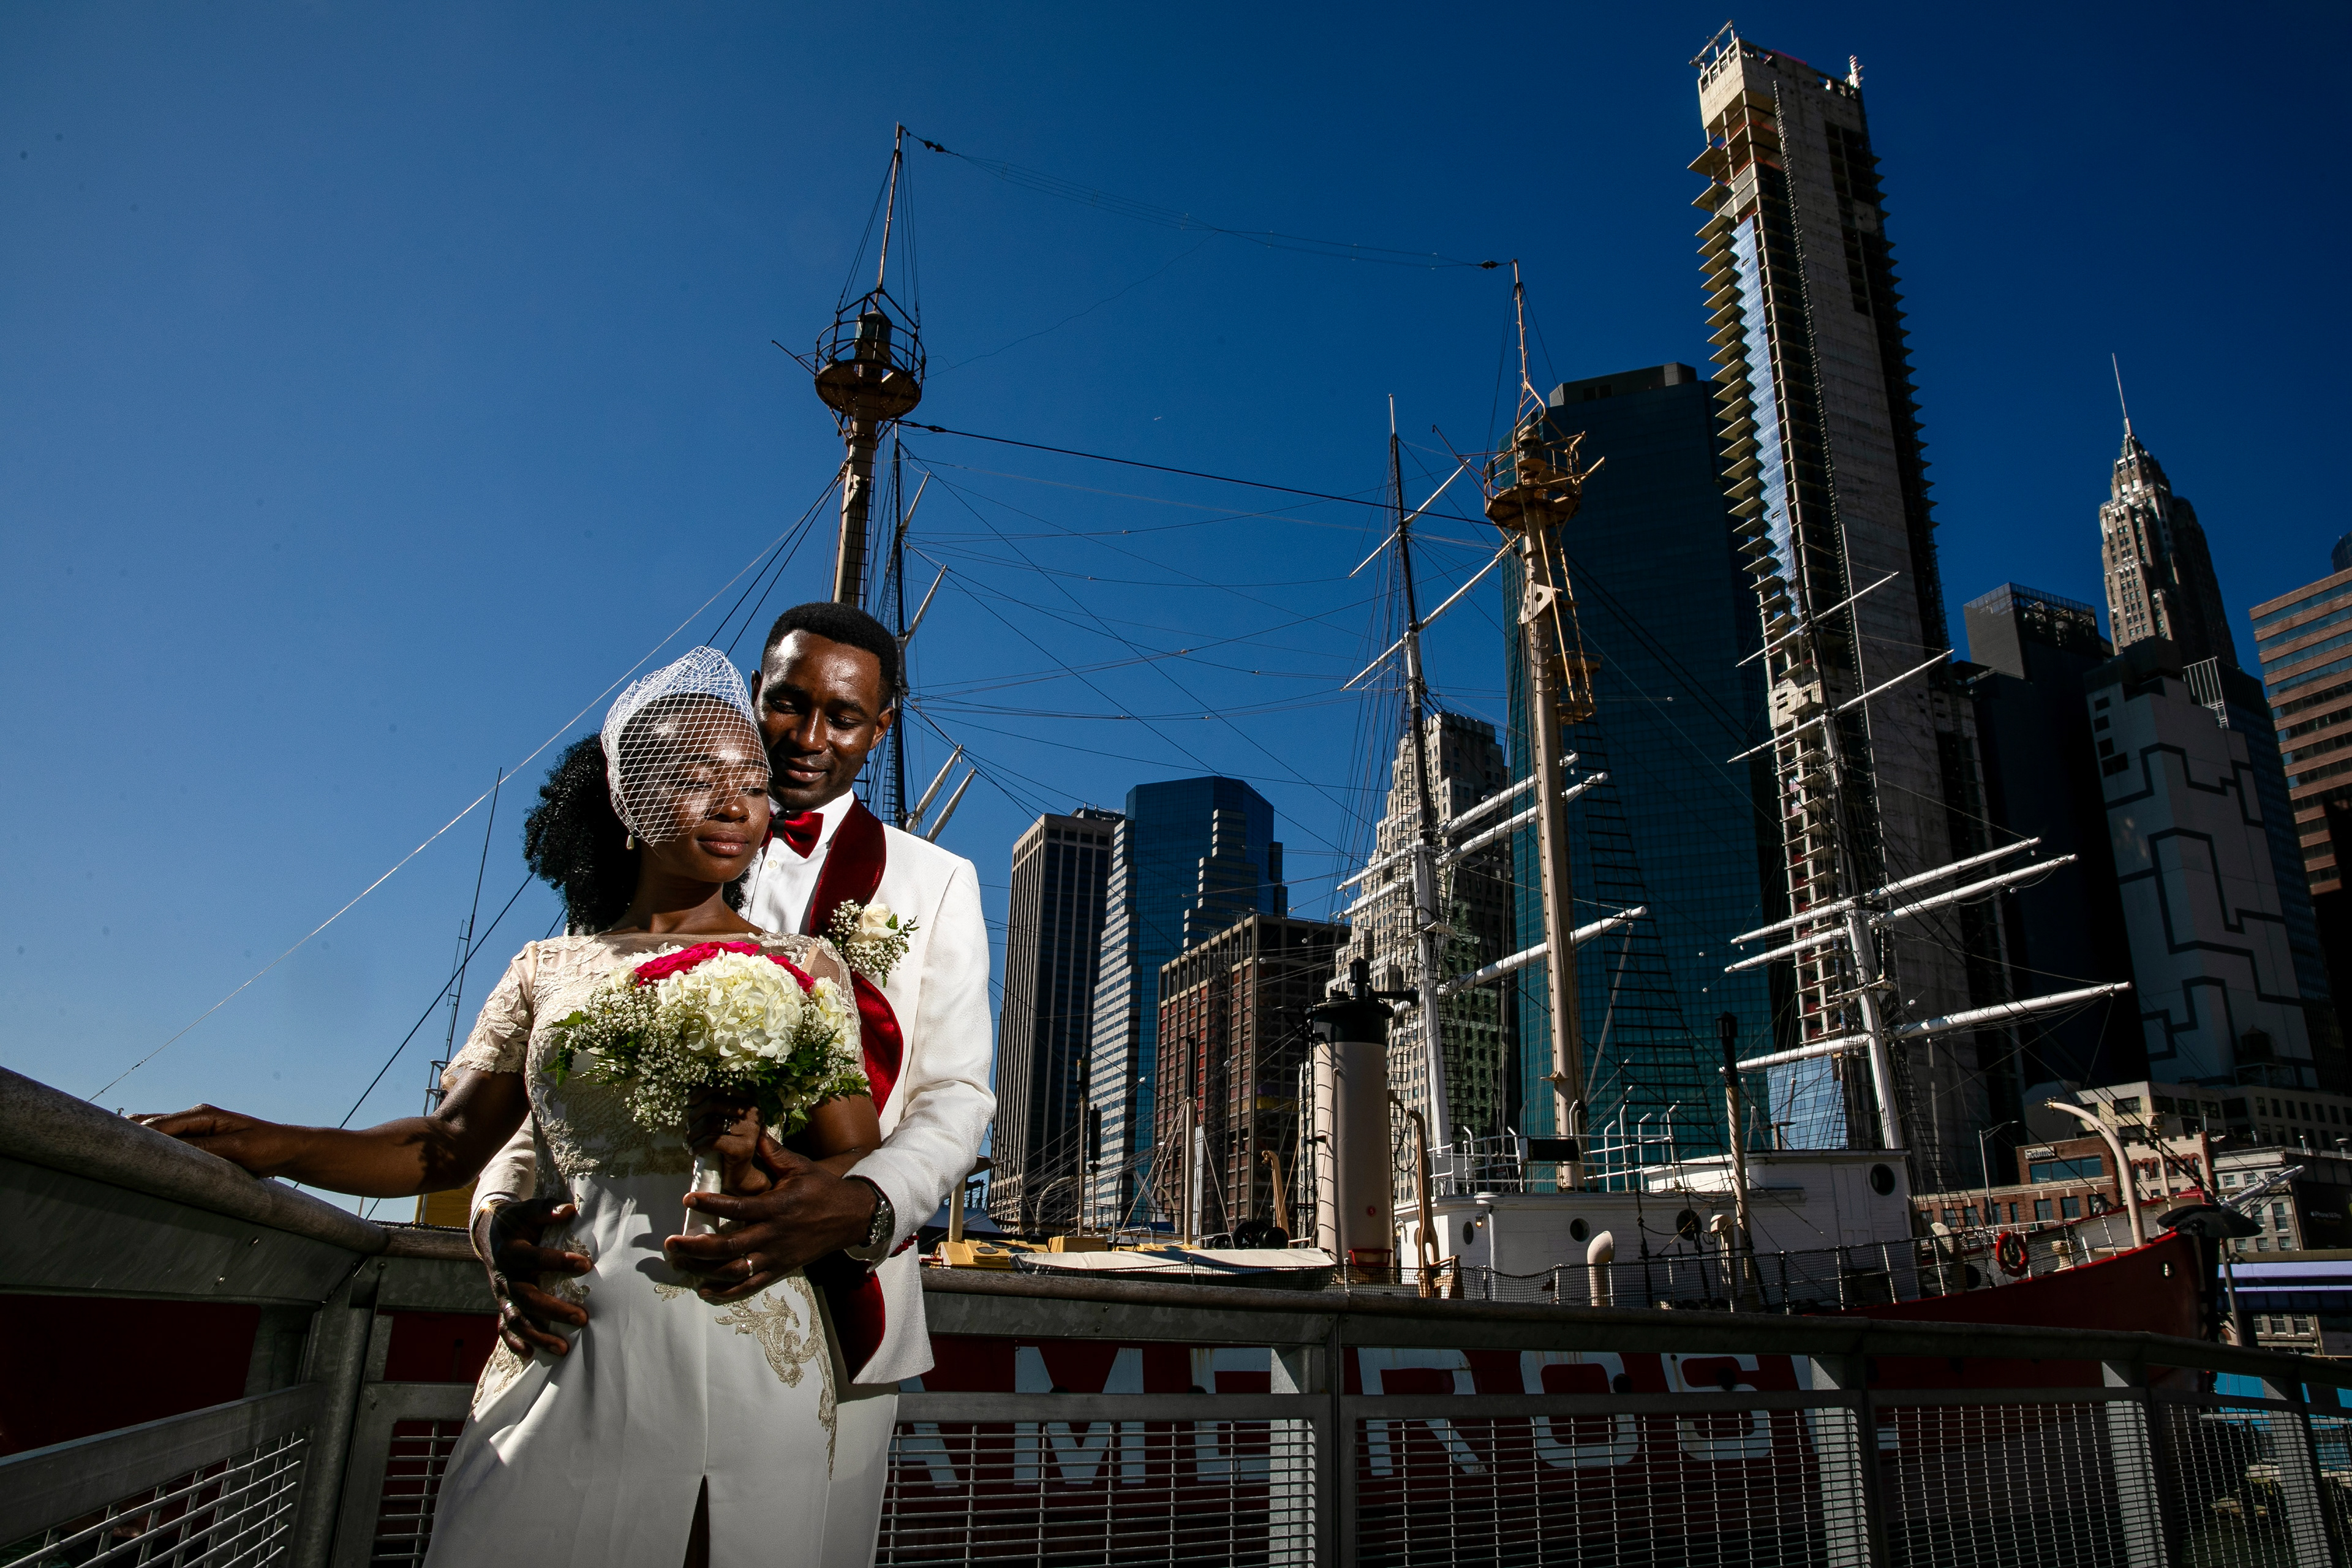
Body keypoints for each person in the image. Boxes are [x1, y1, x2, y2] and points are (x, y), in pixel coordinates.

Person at [140, 649, 882, 1568]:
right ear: (628, 803)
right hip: (571, 1337)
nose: (737, 804)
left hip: (750, 1333)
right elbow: (443, 1151)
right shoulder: (546, 970)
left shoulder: (806, 970)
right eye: (697, 780)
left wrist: (756, 1158)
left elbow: (851, 1166)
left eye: (751, 783)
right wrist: (257, 1141)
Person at [474, 603, 994, 1568]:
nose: (807, 739)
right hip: (615, 1302)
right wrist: (497, 1214)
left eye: (843, 719)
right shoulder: (658, 849)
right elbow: (560, 1070)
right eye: (787, 705)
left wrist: (852, 1205)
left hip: (844, 1310)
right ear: (754, 695)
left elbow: (957, 1097)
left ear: (882, 730)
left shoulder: (938, 882)